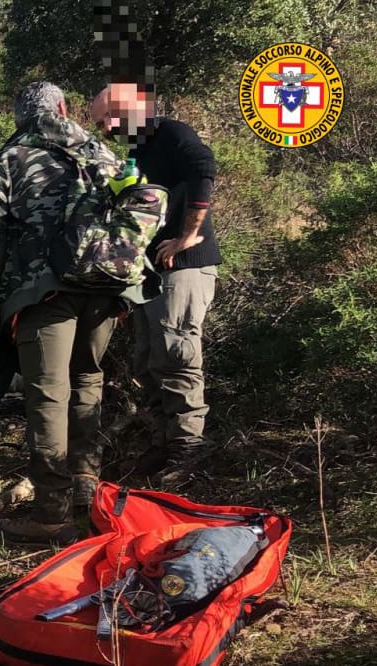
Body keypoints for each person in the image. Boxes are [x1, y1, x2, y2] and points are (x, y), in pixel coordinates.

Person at [0, 82, 138, 543]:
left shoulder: (8, 158)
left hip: (42, 290)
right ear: (62, 107)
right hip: (106, 283)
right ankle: (85, 484)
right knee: (88, 377)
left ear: (19, 116)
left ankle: (50, 515)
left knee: (47, 395)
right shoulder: (101, 151)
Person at [91, 83, 221, 485]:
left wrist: (189, 235)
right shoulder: (137, 151)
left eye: (106, 120)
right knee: (147, 360)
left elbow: (204, 168)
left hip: (184, 267)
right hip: (149, 274)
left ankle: (188, 450)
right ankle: (164, 444)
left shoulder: (171, 133)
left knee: (175, 353)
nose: (105, 130)